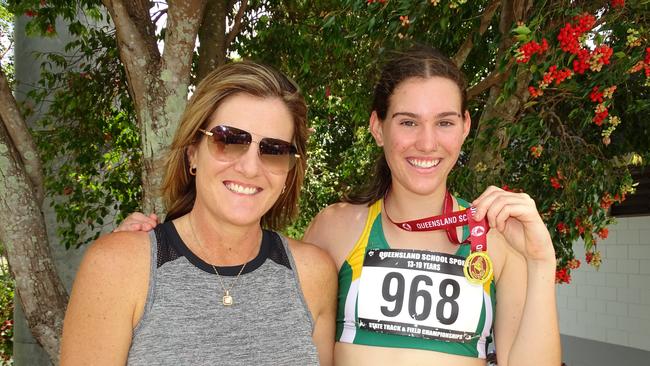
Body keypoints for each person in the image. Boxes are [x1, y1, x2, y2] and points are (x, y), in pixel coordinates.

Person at [116, 46, 561, 366]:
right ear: (378, 127)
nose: (427, 142)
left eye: (444, 122)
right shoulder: (336, 227)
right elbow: (254, 293)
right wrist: (156, 249)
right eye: (407, 122)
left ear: (465, 127)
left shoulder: (495, 239)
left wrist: (541, 262)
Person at [60, 61, 337, 365]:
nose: (249, 167)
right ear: (193, 153)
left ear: (288, 171)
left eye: (273, 150)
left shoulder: (313, 275)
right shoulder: (119, 268)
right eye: (229, 140)